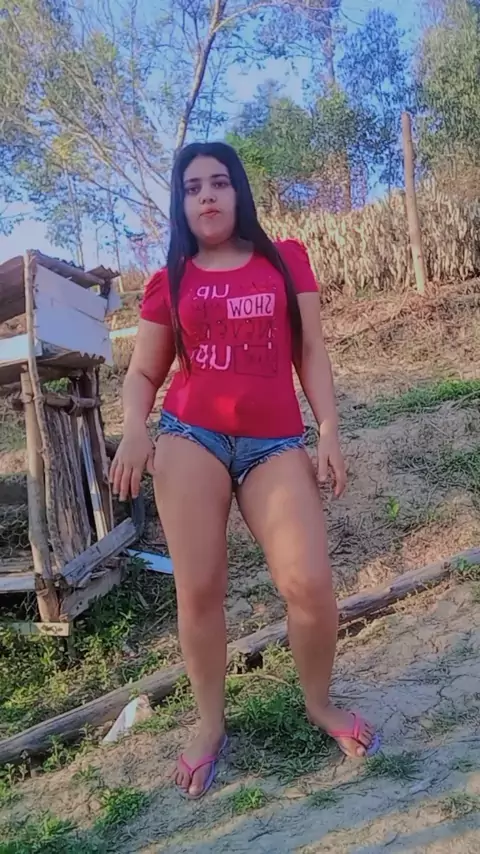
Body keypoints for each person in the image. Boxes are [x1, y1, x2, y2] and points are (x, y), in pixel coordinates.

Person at [110, 141, 380, 800]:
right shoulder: (171, 279)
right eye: (192, 187)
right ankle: (210, 725)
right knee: (200, 589)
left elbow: (310, 350)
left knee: (309, 584)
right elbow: (143, 372)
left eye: (219, 183)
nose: (206, 195)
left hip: (274, 443)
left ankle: (318, 703)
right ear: (182, 204)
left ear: (238, 193)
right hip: (189, 436)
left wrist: (329, 429)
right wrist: (136, 427)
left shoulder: (283, 260)